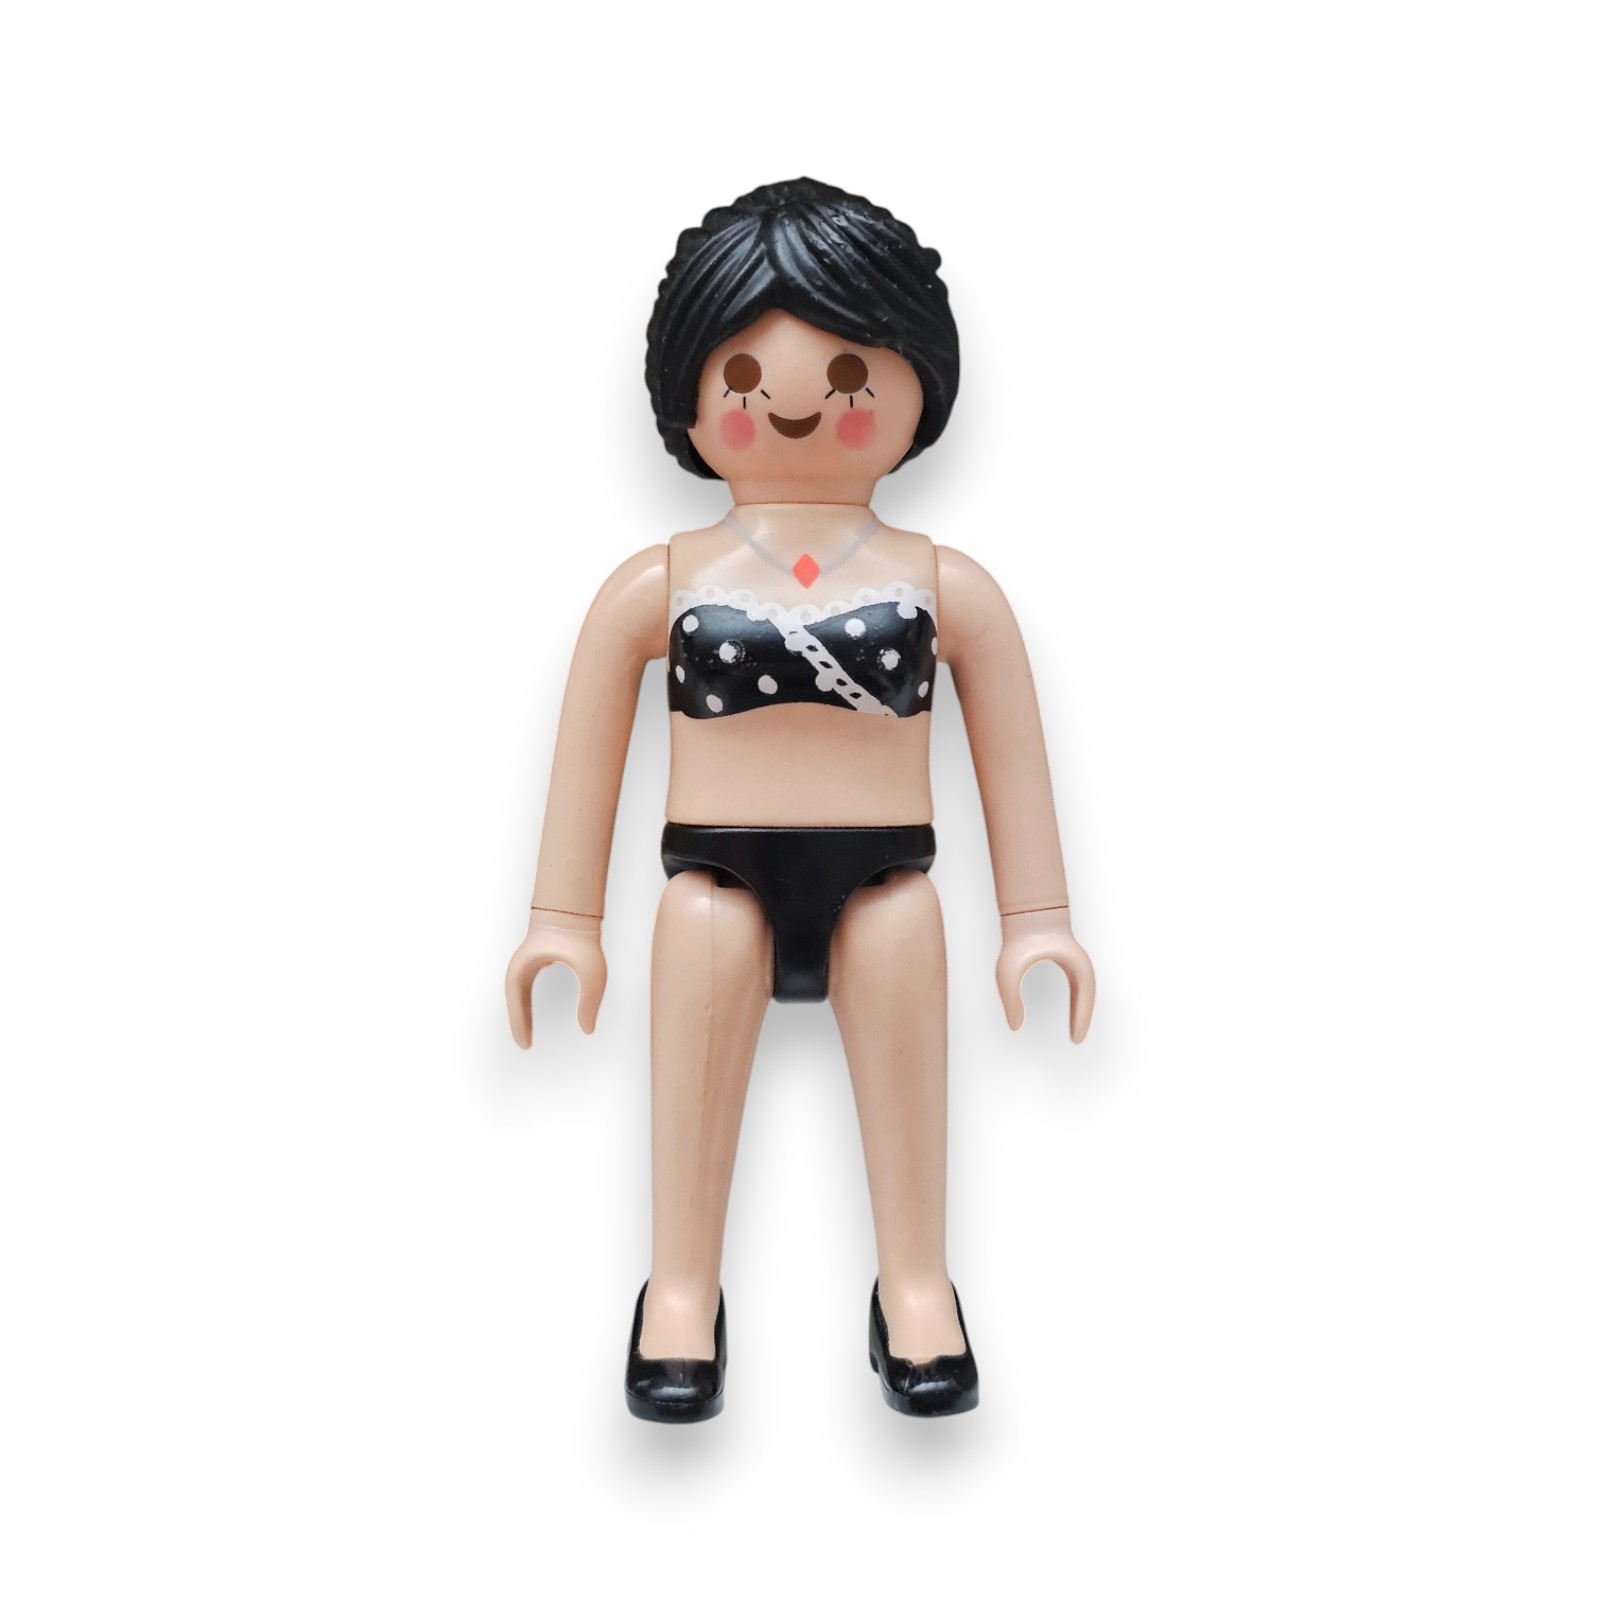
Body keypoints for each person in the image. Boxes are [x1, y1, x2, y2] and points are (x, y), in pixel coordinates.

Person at [505, 178, 1095, 1421]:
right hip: (714, 871)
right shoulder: (661, 581)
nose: (792, 400)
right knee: (699, 968)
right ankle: (680, 1289)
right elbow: (587, 748)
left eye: (848, 373)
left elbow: (1012, 753)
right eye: (741, 372)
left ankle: (915, 1284)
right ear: (687, 395)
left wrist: (1037, 916)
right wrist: (563, 918)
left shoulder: (945, 584)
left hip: (884, 870)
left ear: (916, 382)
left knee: (901, 969)